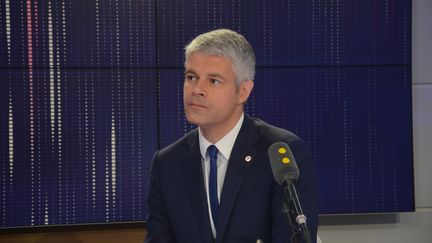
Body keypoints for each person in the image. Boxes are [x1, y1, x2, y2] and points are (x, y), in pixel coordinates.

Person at [145, 29, 318, 243]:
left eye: (214, 81)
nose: (197, 89)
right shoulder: (166, 164)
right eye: (191, 77)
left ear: (243, 91)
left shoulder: (281, 155)